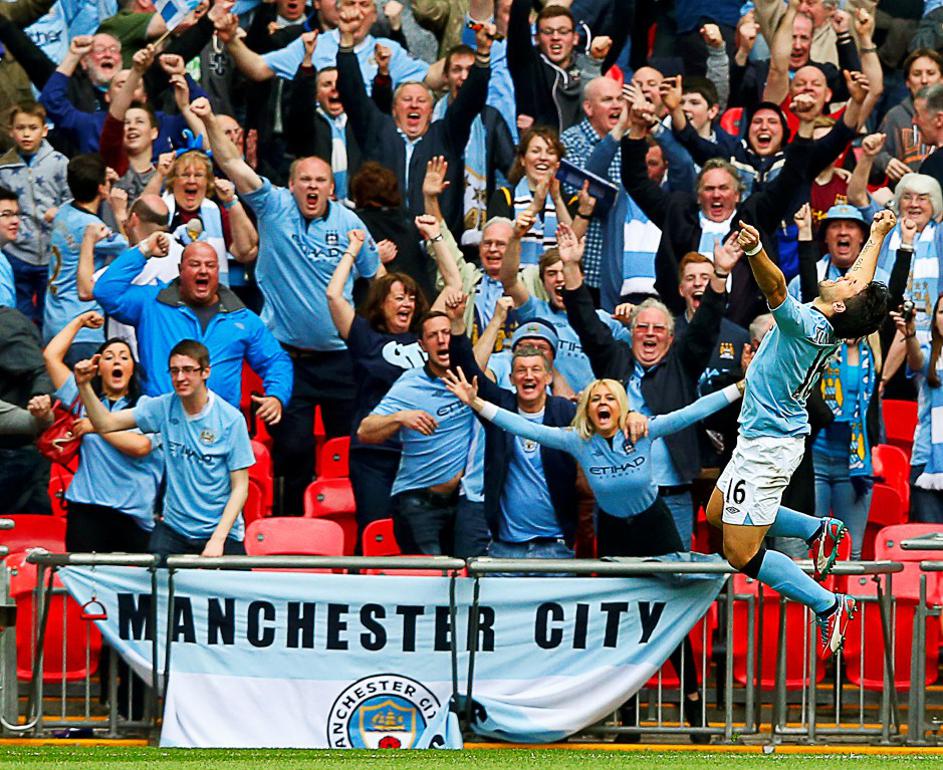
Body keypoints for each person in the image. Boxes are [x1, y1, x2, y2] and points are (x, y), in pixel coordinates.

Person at [443, 365, 743, 739]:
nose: (603, 404)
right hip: (615, 534)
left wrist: (741, 386)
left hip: (655, 527)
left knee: (669, 620)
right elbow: (524, 427)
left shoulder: (642, 430)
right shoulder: (577, 440)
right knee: (625, 625)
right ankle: (627, 719)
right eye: (595, 399)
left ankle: (696, 710)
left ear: (622, 407)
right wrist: (477, 404)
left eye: (610, 399)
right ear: (586, 408)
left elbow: (693, 411)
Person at [706, 213, 895, 656]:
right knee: (718, 513)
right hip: (764, 438)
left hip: (768, 447)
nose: (846, 278)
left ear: (844, 305)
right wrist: (879, 235)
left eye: (849, 283)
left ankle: (828, 603)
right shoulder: (834, 313)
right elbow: (860, 279)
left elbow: (774, 289)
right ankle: (817, 530)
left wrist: (754, 251)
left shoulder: (807, 325)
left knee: (740, 554)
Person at [190, 95, 379, 517]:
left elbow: (375, 278)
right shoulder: (273, 206)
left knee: (349, 449)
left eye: (321, 181)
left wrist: (365, 330)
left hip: (341, 359)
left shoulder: (351, 224)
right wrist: (206, 118)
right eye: (305, 180)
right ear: (291, 184)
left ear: (333, 187)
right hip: (286, 358)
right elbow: (233, 163)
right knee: (293, 451)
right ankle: (291, 536)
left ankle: (349, 537)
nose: (312, 187)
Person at [73, 339, 254, 558]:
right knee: (155, 588)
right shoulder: (162, 407)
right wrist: (83, 385)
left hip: (220, 532)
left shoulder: (230, 419)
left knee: (238, 590)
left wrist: (218, 539)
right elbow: (105, 423)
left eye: (188, 370)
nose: (180, 378)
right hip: (175, 529)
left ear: (206, 372)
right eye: (174, 371)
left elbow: (240, 487)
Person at [93, 231, 292, 417]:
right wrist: (144, 250)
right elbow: (105, 291)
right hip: (161, 426)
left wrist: (276, 396)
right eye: (195, 264)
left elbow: (275, 360)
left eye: (210, 265)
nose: (203, 270)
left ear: (217, 271)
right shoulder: (151, 303)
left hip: (219, 429)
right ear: (180, 270)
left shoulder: (242, 318)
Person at [326, 228, 435, 537]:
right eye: (399, 297)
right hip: (373, 456)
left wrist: (436, 238)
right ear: (381, 303)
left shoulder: (426, 338)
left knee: (415, 535)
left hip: (417, 455)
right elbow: (334, 295)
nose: (407, 304)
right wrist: (353, 249)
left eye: (412, 298)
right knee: (375, 531)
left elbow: (453, 288)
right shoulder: (365, 336)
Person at [357, 307, 474, 556]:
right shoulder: (410, 383)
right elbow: (364, 431)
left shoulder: (474, 379)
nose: (442, 340)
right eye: (433, 336)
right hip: (419, 503)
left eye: (447, 333)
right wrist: (400, 417)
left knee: (464, 580)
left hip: (464, 503)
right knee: (432, 580)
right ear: (422, 345)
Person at [41, 311, 161, 552]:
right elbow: (51, 356)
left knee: (133, 588)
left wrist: (95, 426)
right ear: (99, 367)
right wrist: (79, 322)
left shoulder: (149, 407)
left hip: (133, 515)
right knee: (85, 585)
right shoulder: (84, 397)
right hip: (87, 509)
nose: (116, 361)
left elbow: (140, 447)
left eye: (124, 357)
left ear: (132, 368)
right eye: (109, 357)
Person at [44, 154, 129, 361]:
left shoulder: (63, 211)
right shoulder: (92, 228)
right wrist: (119, 213)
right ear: (101, 188)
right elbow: (129, 251)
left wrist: (101, 183)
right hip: (82, 329)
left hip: (53, 323)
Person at [0, 101, 69, 323]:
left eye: (33, 128)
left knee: (49, 314)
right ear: (11, 131)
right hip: (17, 251)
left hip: (52, 252)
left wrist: (59, 211)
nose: (26, 134)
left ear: (45, 130)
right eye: (20, 128)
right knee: (19, 313)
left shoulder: (59, 162)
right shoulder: (3, 168)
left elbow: (73, 199)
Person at [894, 296, 943, 523]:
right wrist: (910, 334)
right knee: (928, 548)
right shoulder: (929, 352)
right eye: (941, 313)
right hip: (927, 462)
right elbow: (915, 360)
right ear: (934, 320)